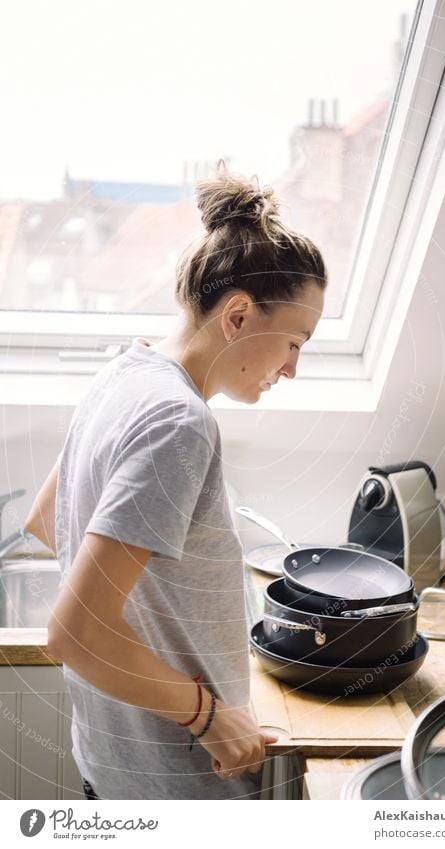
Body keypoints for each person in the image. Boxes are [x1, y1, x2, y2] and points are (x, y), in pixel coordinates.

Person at [31, 166, 327, 800]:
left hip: (112, 762)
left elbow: (44, 519)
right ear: (240, 315)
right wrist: (211, 717)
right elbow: (74, 632)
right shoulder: (180, 423)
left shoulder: (123, 371)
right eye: (296, 341)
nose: (294, 368)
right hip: (174, 784)